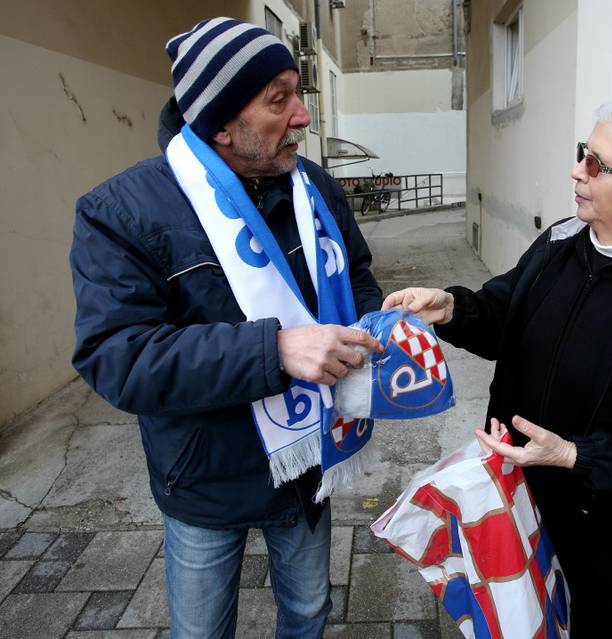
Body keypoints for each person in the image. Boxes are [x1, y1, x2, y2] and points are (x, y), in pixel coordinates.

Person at [383, 98, 612, 637]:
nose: (577, 170)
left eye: (597, 164)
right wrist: (452, 307)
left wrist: (574, 456)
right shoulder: (559, 244)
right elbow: (506, 312)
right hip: (519, 506)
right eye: (583, 153)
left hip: (610, 546)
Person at [70, 17, 383, 638]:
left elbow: (358, 277)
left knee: (308, 613)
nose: (303, 117)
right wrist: (273, 349)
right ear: (218, 123)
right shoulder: (120, 212)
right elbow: (117, 356)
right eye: (278, 100)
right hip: (205, 479)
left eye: (300, 93)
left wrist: (379, 327)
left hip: (306, 469)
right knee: (202, 631)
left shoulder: (313, 188)